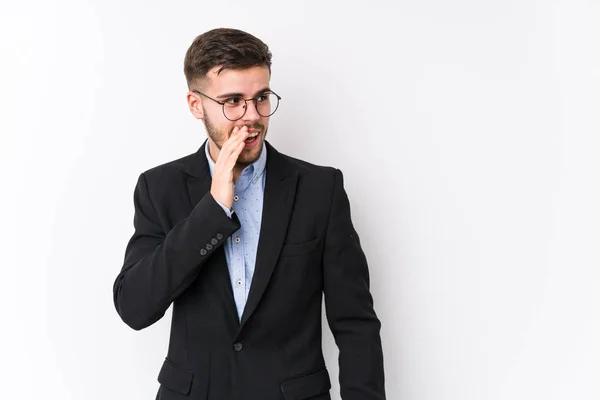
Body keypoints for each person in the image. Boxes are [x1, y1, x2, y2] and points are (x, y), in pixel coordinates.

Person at [113, 28, 386, 400]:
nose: (252, 116)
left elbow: (355, 324)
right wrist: (212, 210)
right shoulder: (160, 188)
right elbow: (135, 307)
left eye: (261, 98)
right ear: (196, 105)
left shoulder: (320, 189)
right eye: (233, 101)